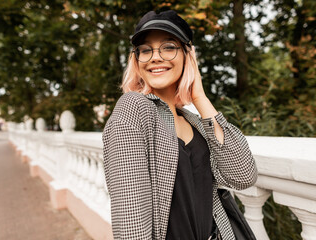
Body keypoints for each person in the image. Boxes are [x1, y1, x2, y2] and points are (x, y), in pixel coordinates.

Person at [102, 10, 258, 240]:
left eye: (168, 46)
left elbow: (243, 175)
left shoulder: (194, 121)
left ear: (187, 55)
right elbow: (131, 221)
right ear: (136, 61)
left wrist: (200, 99)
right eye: (145, 50)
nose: (155, 57)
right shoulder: (133, 108)